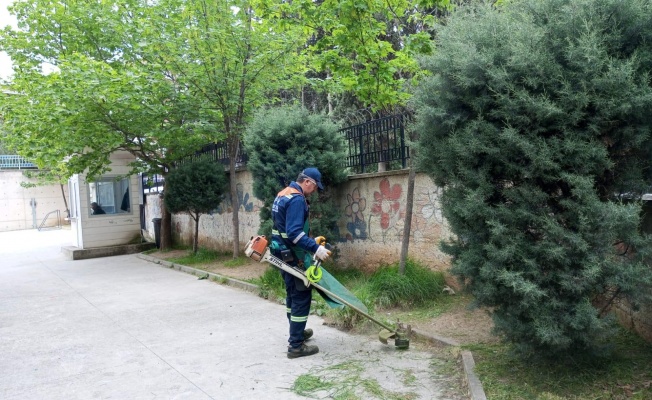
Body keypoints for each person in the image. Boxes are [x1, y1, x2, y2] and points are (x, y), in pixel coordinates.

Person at [271, 167, 331, 359]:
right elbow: (295, 233)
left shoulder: (283, 194)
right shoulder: (297, 199)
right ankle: (296, 346)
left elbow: (285, 229)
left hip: (280, 250)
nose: (314, 191)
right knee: (301, 295)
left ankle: (296, 331)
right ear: (307, 182)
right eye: (314, 186)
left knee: (292, 292)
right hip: (290, 253)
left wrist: (311, 241)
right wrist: (316, 249)